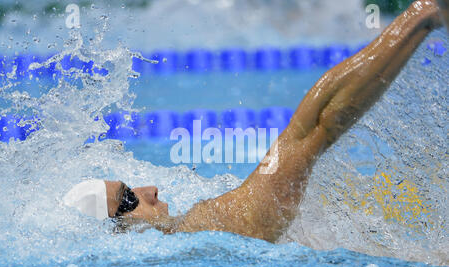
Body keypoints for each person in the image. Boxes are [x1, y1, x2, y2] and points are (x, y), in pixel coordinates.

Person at [64, 0, 447, 243]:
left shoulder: (188, 237)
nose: (151, 188)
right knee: (313, 130)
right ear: (119, 233)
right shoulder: (205, 229)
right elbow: (315, 127)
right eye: (130, 199)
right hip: (248, 222)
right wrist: (423, 15)